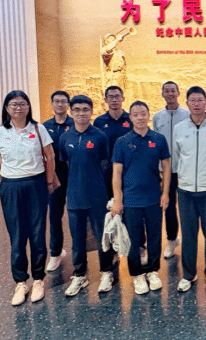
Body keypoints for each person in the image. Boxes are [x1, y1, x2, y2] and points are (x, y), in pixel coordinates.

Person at [0, 90, 58, 306]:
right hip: (11, 186)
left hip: (36, 184)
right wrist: (7, 179)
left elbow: (50, 156)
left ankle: (38, 279)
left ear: (28, 107)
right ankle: (20, 282)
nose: (18, 108)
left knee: (37, 232)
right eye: (14, 104)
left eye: (22, 104)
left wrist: (49, 181)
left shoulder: (38, 129)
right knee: (17, 235)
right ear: (6, 108)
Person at [110, 101, 170, 295]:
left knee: (154, 237)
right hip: (131, 199)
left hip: (153, 198)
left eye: (143, 113)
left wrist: (165, 193)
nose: (140, 117)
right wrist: (118, 200)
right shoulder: (122, 141)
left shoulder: (158, 139)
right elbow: (117, 172)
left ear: (148, 115)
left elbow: (167, 167)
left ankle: (153, 271)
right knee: (133, 240)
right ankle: (137, 274)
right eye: (135, 114)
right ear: (130, 117)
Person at [58, 95, 116, 296]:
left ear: (91, 111)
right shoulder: (65, 138)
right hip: (74, 196)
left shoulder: (100, 137)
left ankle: (107, 272)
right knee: (77, 238)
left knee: (102, 236)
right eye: (77, 109)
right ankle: (80, 275)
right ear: (71, 112)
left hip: (97, 196)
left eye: (85, 109)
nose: (81, 113)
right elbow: (65, 166)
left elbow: (105, 165)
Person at [172, 86, 206, 293]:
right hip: (186, 191)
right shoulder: (179, 128)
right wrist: (183, 179)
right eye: (192, 100)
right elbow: (177, 157)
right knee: (188, 235)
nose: (196, 104)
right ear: (187, 103)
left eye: (200, 100)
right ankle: (188, 274)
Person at [152, 81, 190, 259]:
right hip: (166, 170)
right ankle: (172, 239)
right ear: (162, 94)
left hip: (185, 169)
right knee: (168, 206)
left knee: (186, 207)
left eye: (173, 91)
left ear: (178, 92)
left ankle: (189, 241)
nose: (170, 94)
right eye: (166, 91)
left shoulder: (187, 115)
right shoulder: (158, 117)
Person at [43, 90, 74, 272]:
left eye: (63, 101)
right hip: (55, 176)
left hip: (74, 174)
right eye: (57, 101)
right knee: (54, 215)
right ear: (52, 103)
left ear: (68, 104)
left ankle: (80, 252)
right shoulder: (45, 127)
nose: (60, 104)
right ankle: (56, 253)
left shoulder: (75, 123)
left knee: (76, 215)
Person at [93, 86, 132, 199]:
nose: (114, 100)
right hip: (106, 170)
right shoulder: (99, 122)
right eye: (111, 97)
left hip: (128, 169)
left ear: (123, 98)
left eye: (117, 96)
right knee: (108, 202)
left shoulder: (131, 119)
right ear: (105, 100)